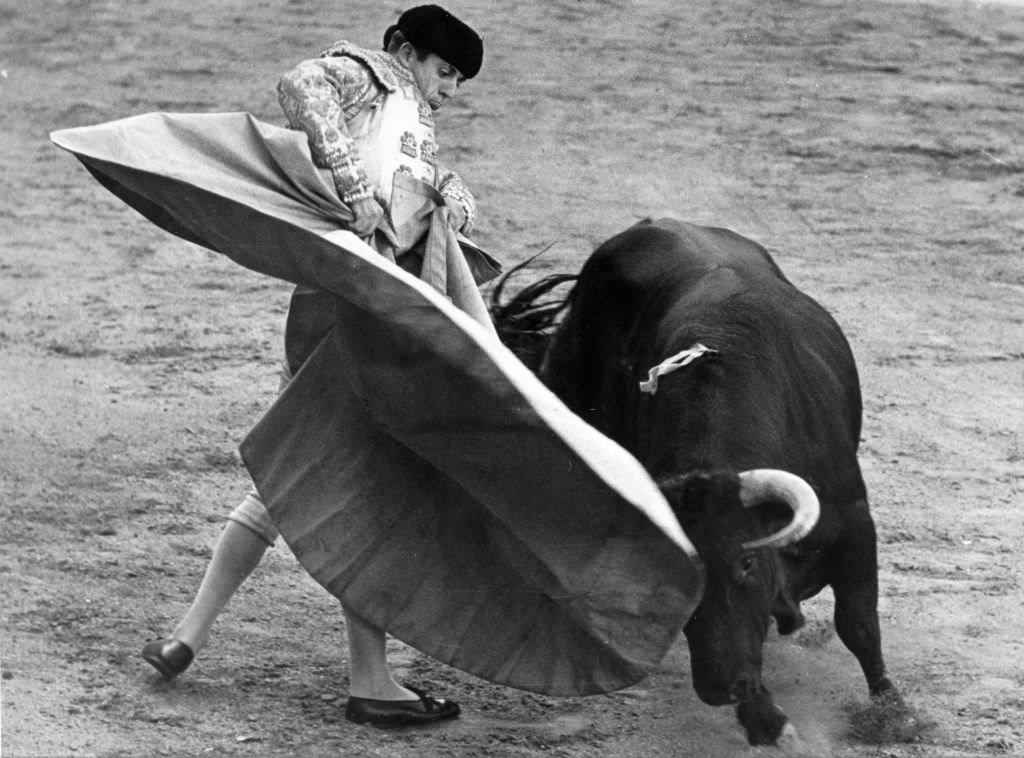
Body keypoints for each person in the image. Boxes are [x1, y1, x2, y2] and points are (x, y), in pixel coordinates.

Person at [141, 4, 486, 726]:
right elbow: (301, 85)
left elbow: (412, 191)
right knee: (365, 483)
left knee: (293, 472)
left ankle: (186, 637)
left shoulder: (407, 117)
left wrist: (450, 195)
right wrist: (354, 192)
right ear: (405, 52)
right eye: (444, 70)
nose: (450, 88)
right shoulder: (370, 75)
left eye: (457, 79)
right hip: (351, 303)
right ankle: (371, 682)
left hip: (349, 299)